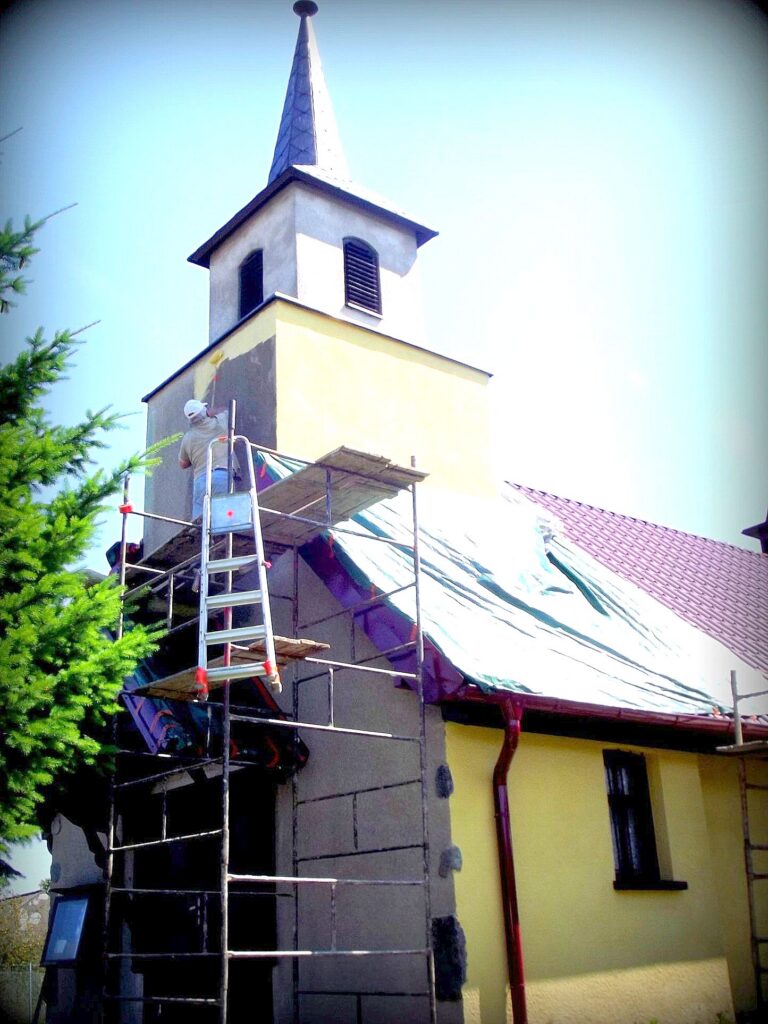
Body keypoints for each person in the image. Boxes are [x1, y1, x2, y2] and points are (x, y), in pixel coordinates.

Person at [178, 399, 238, 520]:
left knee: (201, 522)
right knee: (225, 517)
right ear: (204, 411)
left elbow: (183, 463)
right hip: (222, 474)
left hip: (201, 481)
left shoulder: (188, 437)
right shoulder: (220, 421)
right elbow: (228, 410)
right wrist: (211, 412)